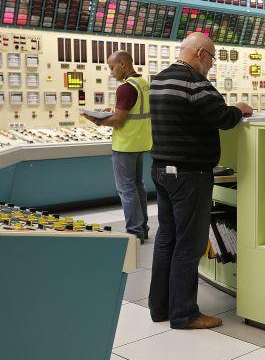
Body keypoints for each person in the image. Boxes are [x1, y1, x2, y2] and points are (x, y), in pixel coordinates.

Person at [148, 32, 252, 330]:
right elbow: (222, 117)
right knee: (190, 245)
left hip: (162, 170)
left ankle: (160, 307)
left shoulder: (159, 79)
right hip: (190, 176)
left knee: (166, 240)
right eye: (212, 59)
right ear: (201, 54)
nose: (210, 66)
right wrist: (240, 109)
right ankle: (184, 314)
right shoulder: (195, 82)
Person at [82, 50, 151, 243]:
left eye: (112, 67)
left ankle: (134, 233)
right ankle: (142, 229)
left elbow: (119, 121)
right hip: (141, 142)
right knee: (138, 187)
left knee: (127, 190)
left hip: (125, 145)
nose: (111, 72)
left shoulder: (125, 88)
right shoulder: (144, 83)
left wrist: (96, 120)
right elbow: (133, 110)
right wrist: (112, 111)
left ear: (123, 64)